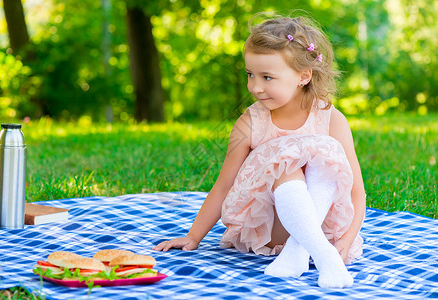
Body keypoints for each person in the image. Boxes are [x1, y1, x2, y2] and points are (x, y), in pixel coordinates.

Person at [153, 14, 365, 289]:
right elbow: (224, 185)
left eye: (267, 77)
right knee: (284, 164)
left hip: (323, 227)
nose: (255, 87)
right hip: (271, 228)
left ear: (303, 76)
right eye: (250, 75)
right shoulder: (251, 123)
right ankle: (321, 256)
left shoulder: (331, 119)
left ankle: (301, 251)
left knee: (325, 157)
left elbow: (355, 192)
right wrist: (194, 236)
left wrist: (346, 242)